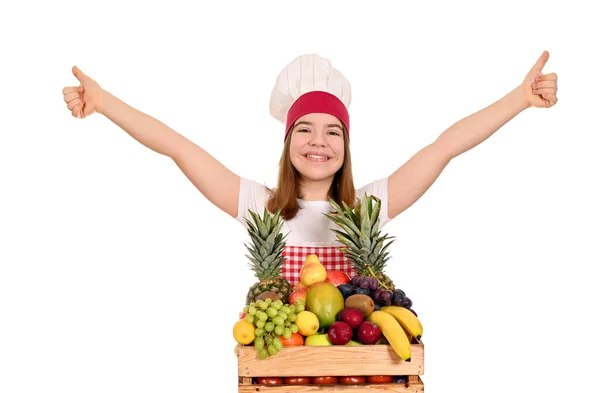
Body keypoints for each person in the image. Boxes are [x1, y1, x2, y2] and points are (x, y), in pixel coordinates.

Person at [62, 53, 558, 286]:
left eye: (333, 131)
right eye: (304, 129)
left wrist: (518, 99)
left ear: (345, 145)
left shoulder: (366, 207)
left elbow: (445, 146)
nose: (318, 141)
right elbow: (177, 147)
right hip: (281, 367)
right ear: (287, 142)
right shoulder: (258, 205)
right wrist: (105, 103)